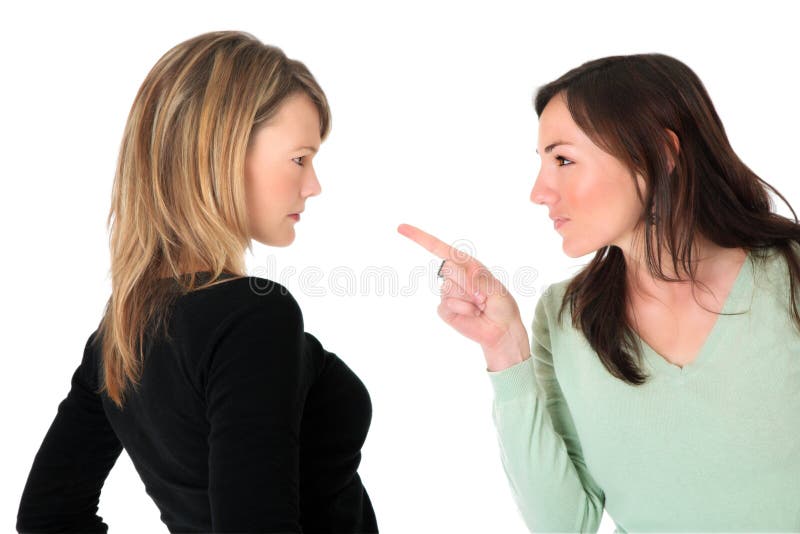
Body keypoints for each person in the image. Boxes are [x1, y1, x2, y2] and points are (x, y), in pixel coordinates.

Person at [397, 53, 800, 531]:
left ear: (662, 154)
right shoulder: (565, 316)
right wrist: (505, 350)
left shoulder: (789, 274)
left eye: (564, 159)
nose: (540, 191)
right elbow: (565, 524)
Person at [17, 31, 378, 533]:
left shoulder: (121, 336)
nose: (313, 185)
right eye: (300, 158)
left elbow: (46, 518)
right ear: (221, 154)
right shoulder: (253, 316)